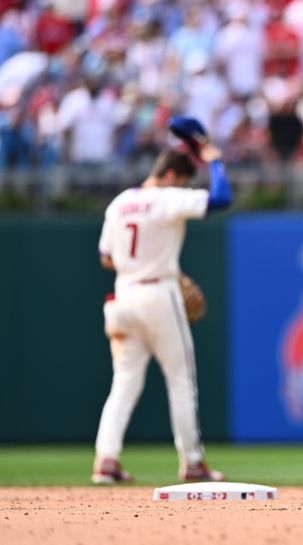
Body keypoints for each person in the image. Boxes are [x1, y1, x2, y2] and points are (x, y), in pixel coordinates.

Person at [92, 122, 232, 484]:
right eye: (182, 181)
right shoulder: (166, 197)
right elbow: (220, 199)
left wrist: (137, 263)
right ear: (169, 174)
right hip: (158, 293)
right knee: (181, 380)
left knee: (123, 383)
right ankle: (193, 462)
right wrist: (215, 162)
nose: (183, 187)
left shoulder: (119, 202)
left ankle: (106, 460)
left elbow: (105, 256)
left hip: (122, 296)